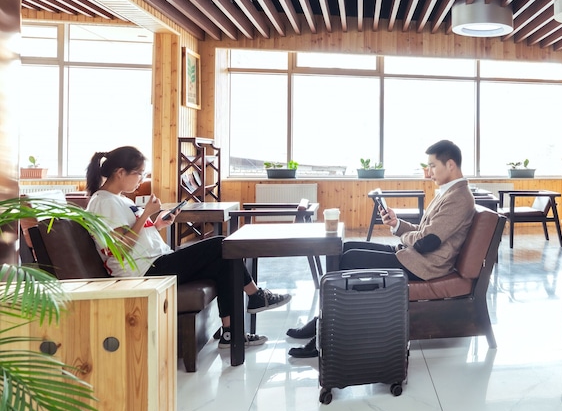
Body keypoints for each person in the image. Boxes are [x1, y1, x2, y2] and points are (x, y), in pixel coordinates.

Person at [85, 146, 291, 350]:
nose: (141, 179)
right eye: (139, 173)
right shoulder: (103, 202)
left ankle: (230, 333)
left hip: (154, 263)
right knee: (220, 244)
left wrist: (157, 224)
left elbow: (134, 236)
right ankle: (255, 296)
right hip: (143, 272)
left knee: (224, 260)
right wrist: (146, 214)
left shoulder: (118, 199)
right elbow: (120, 249)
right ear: (120, 172)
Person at [287, 139, 476, 358]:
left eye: (433, 166)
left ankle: (326, 334)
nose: (429, 172)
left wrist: (405, 236)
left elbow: (427, 242)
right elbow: (424, 232)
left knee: (350, 259)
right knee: (346, 248)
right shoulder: (447, 193)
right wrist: (397, 224)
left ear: (450, 165)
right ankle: (324, 321)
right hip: (414, 256)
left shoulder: (459, 197)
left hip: (425, 265)